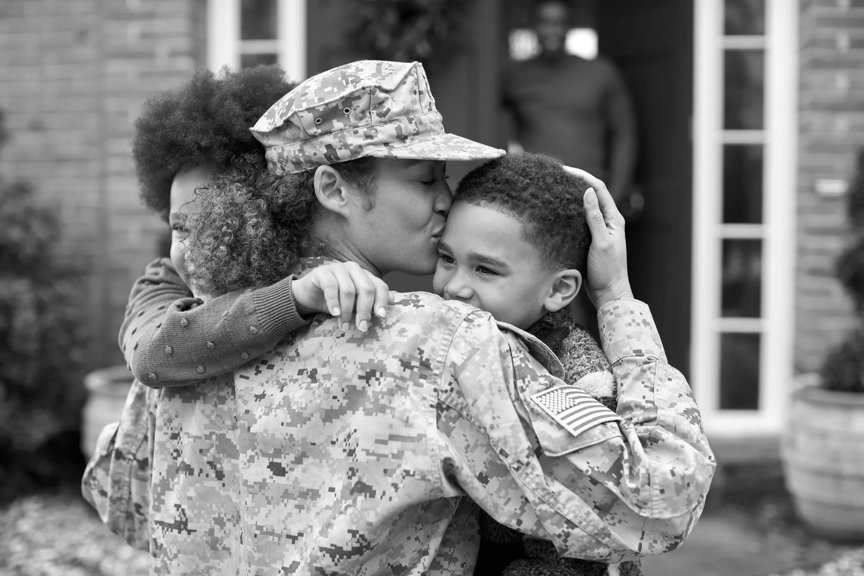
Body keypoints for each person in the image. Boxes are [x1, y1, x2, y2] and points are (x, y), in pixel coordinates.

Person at [137, 59, 713, 575]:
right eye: (422, 178)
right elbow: (660, 500)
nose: (445, 199)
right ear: (334, 188)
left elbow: (128, 500)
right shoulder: (438, 345)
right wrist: (616, 300)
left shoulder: (190, 338)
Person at [81, 65, 391, 549]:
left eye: (201, 227)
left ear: (257, 215)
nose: (181, 249)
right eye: (175, 226)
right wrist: (293, 298)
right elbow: (153, 353)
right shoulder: (162, 282)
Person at [435, 152, 641, 575]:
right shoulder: (440, 341)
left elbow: (579, 546)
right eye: (447, 259)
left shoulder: (582, 379)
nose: (454, 287)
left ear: (560, 289)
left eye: (486, 270)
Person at [501, 0, 639, 337]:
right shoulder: (514, 76)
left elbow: (625, 133)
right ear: (533, 26)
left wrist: (616, 194)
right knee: (544, 284)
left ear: (569, 27)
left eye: (558, 22)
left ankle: (598, 368)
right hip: (538, 199)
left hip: (589, 198)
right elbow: (492, 127)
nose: (551, 29)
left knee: (596, 287)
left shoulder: (600, 73)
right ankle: (553, 364)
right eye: (544, 21)